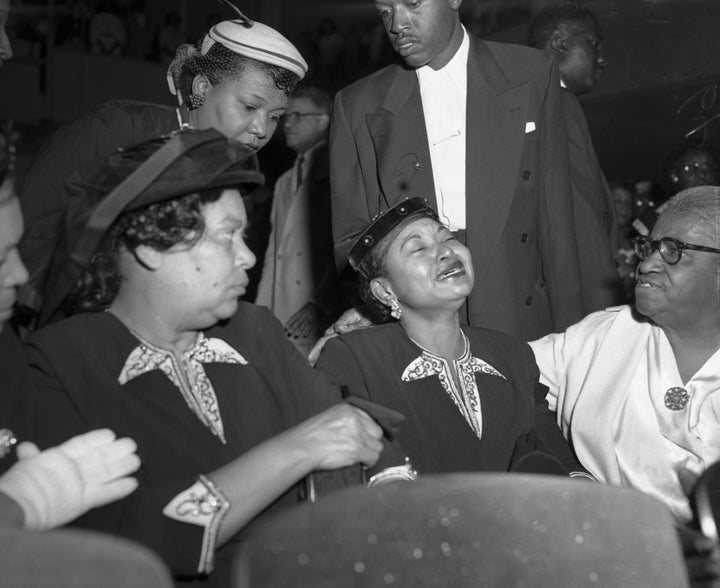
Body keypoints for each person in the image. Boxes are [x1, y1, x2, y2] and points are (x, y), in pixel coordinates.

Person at [23, 129, 384, 587]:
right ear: (151, 246)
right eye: (227, 236)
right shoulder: (56, 363)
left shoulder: (255, 330)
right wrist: (299, 448)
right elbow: (132, 541)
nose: (249, 257)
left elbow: (355, 433)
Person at [18, 13, 308, 327]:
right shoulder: (119, 129)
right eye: (250, 107)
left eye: (276, 116)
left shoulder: (236, 175)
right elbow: (33, 224)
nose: (262, 129)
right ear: (202, 87)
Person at [329, 0, 583, 341]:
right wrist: (371, 308)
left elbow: (560, 221)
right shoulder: (357, 104)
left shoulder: (532, 72)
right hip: (417, 317)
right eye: (384, 10)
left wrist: (574, 336)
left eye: (413, 3)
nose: (396, 24)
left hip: (515, 307)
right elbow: (353, 241)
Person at [316, 197, 588, 478]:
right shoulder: (355, 357)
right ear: (385, 292)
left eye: (447, 237)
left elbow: (558, 457)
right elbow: (342, 474)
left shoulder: (513, 354)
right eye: (418, 248)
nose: (445, 251)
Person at [529, 185, 720, 524]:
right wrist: (567, 470)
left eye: (672, 251)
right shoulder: (605, 336)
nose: (645, 265)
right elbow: (503, 375)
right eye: (648, 248)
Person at [529, 1, 625, 311]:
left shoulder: (532, 101)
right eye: (594, 44)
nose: (603, 59)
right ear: (559, 42)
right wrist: (602, 307)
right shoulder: (559, 104)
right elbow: (580, 216)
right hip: (583, 302)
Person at [255, 86, 348, 356]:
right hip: (281, 309)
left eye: (298, 116)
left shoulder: (337, 172)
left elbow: (344, 247)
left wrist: (319, 304)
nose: (288, 123)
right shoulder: (285, 180)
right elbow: (275, 253)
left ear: (324, 120)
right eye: (286, 117)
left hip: (315, 311)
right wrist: (263, 309)